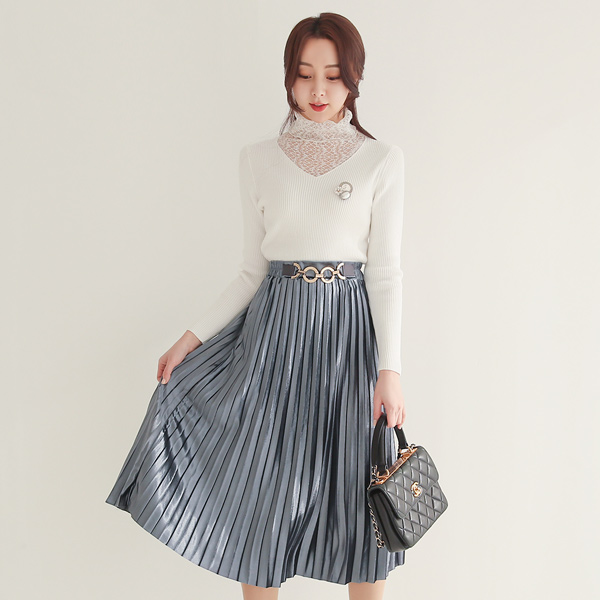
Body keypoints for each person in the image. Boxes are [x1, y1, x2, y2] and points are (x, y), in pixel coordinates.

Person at [106, 12, 407, 600]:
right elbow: (251, 270)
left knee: (358, 491)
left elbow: (386, 272)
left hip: (348, 342)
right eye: (304, 74)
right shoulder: (257, 159)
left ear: (353, 79)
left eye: (333, 75)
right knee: (262, 485)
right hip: (271, 339)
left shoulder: (382, 160)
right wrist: (191, 338)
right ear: (288, 77)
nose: (318, 89)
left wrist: (390, 369)